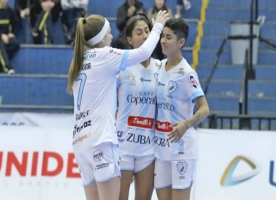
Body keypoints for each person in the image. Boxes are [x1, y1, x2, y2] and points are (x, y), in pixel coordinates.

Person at [67, 11, 170, 200]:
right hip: (102, 141)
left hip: (80, 144)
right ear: (100, 37)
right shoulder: (104, 55)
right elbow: (143, 52)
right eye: (108, 32)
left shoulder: (79, 61)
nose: (112, 36)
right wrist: (158, 26)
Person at [154, 18, 210, 200]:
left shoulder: (187, 73)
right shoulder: (159, 66)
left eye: (168, 37)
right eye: (162, 36)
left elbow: (204, 109)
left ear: (181, 42)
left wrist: (186, 124)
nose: (163, 40)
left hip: (182, 148)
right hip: (161, 148)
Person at [116, 13, 160, 200]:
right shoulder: (120, 67)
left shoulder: (161, 68)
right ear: (129, 39)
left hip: (147, 150)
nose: (144, 35)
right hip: (122, 147)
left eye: (147, 31)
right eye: (139, 32)